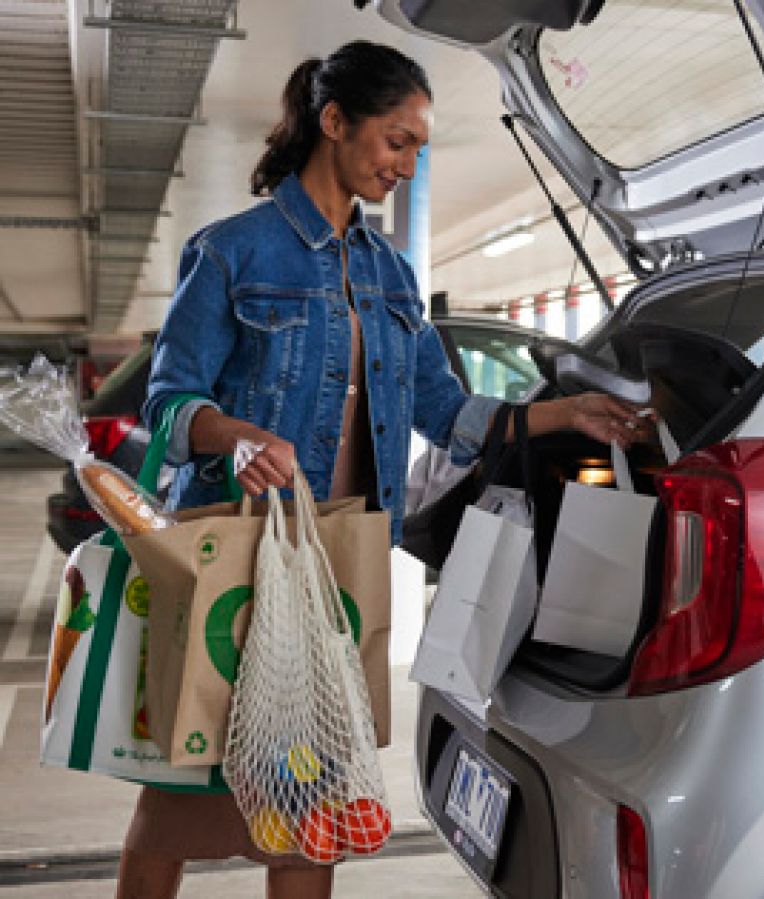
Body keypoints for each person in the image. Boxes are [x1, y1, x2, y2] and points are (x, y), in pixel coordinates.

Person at [119, 40, 652, 899]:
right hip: (239, 558)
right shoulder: (231, 253)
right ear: (334, 124)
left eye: (417, 148)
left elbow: (448, 414)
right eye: (396, 140)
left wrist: (566, 414)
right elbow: (169, 404)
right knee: (184, 786)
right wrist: (239, 437)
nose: (406, 162)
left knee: (313, 793)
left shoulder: (392, 277)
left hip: (341, 565)